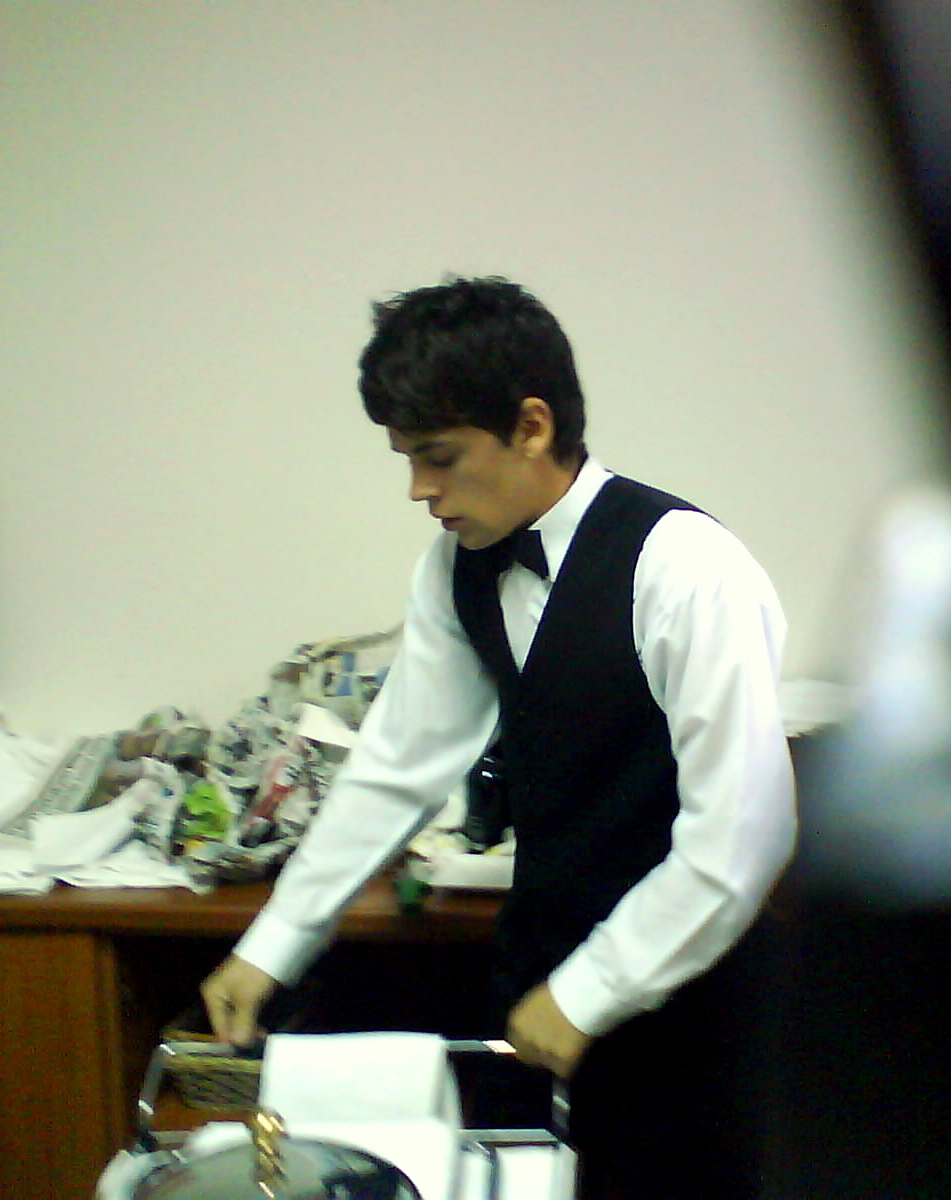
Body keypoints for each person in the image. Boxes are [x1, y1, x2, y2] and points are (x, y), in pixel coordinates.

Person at [202, 276, 796, 1198]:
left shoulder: (687, 568)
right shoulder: (454, 567)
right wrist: (274, 940)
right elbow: (398, 766)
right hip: (533, 979)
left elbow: (742, 837)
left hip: (688, 1006)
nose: (418, 490)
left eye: (437, 457)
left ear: (531, 426)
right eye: (406, 460)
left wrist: (593, 990)